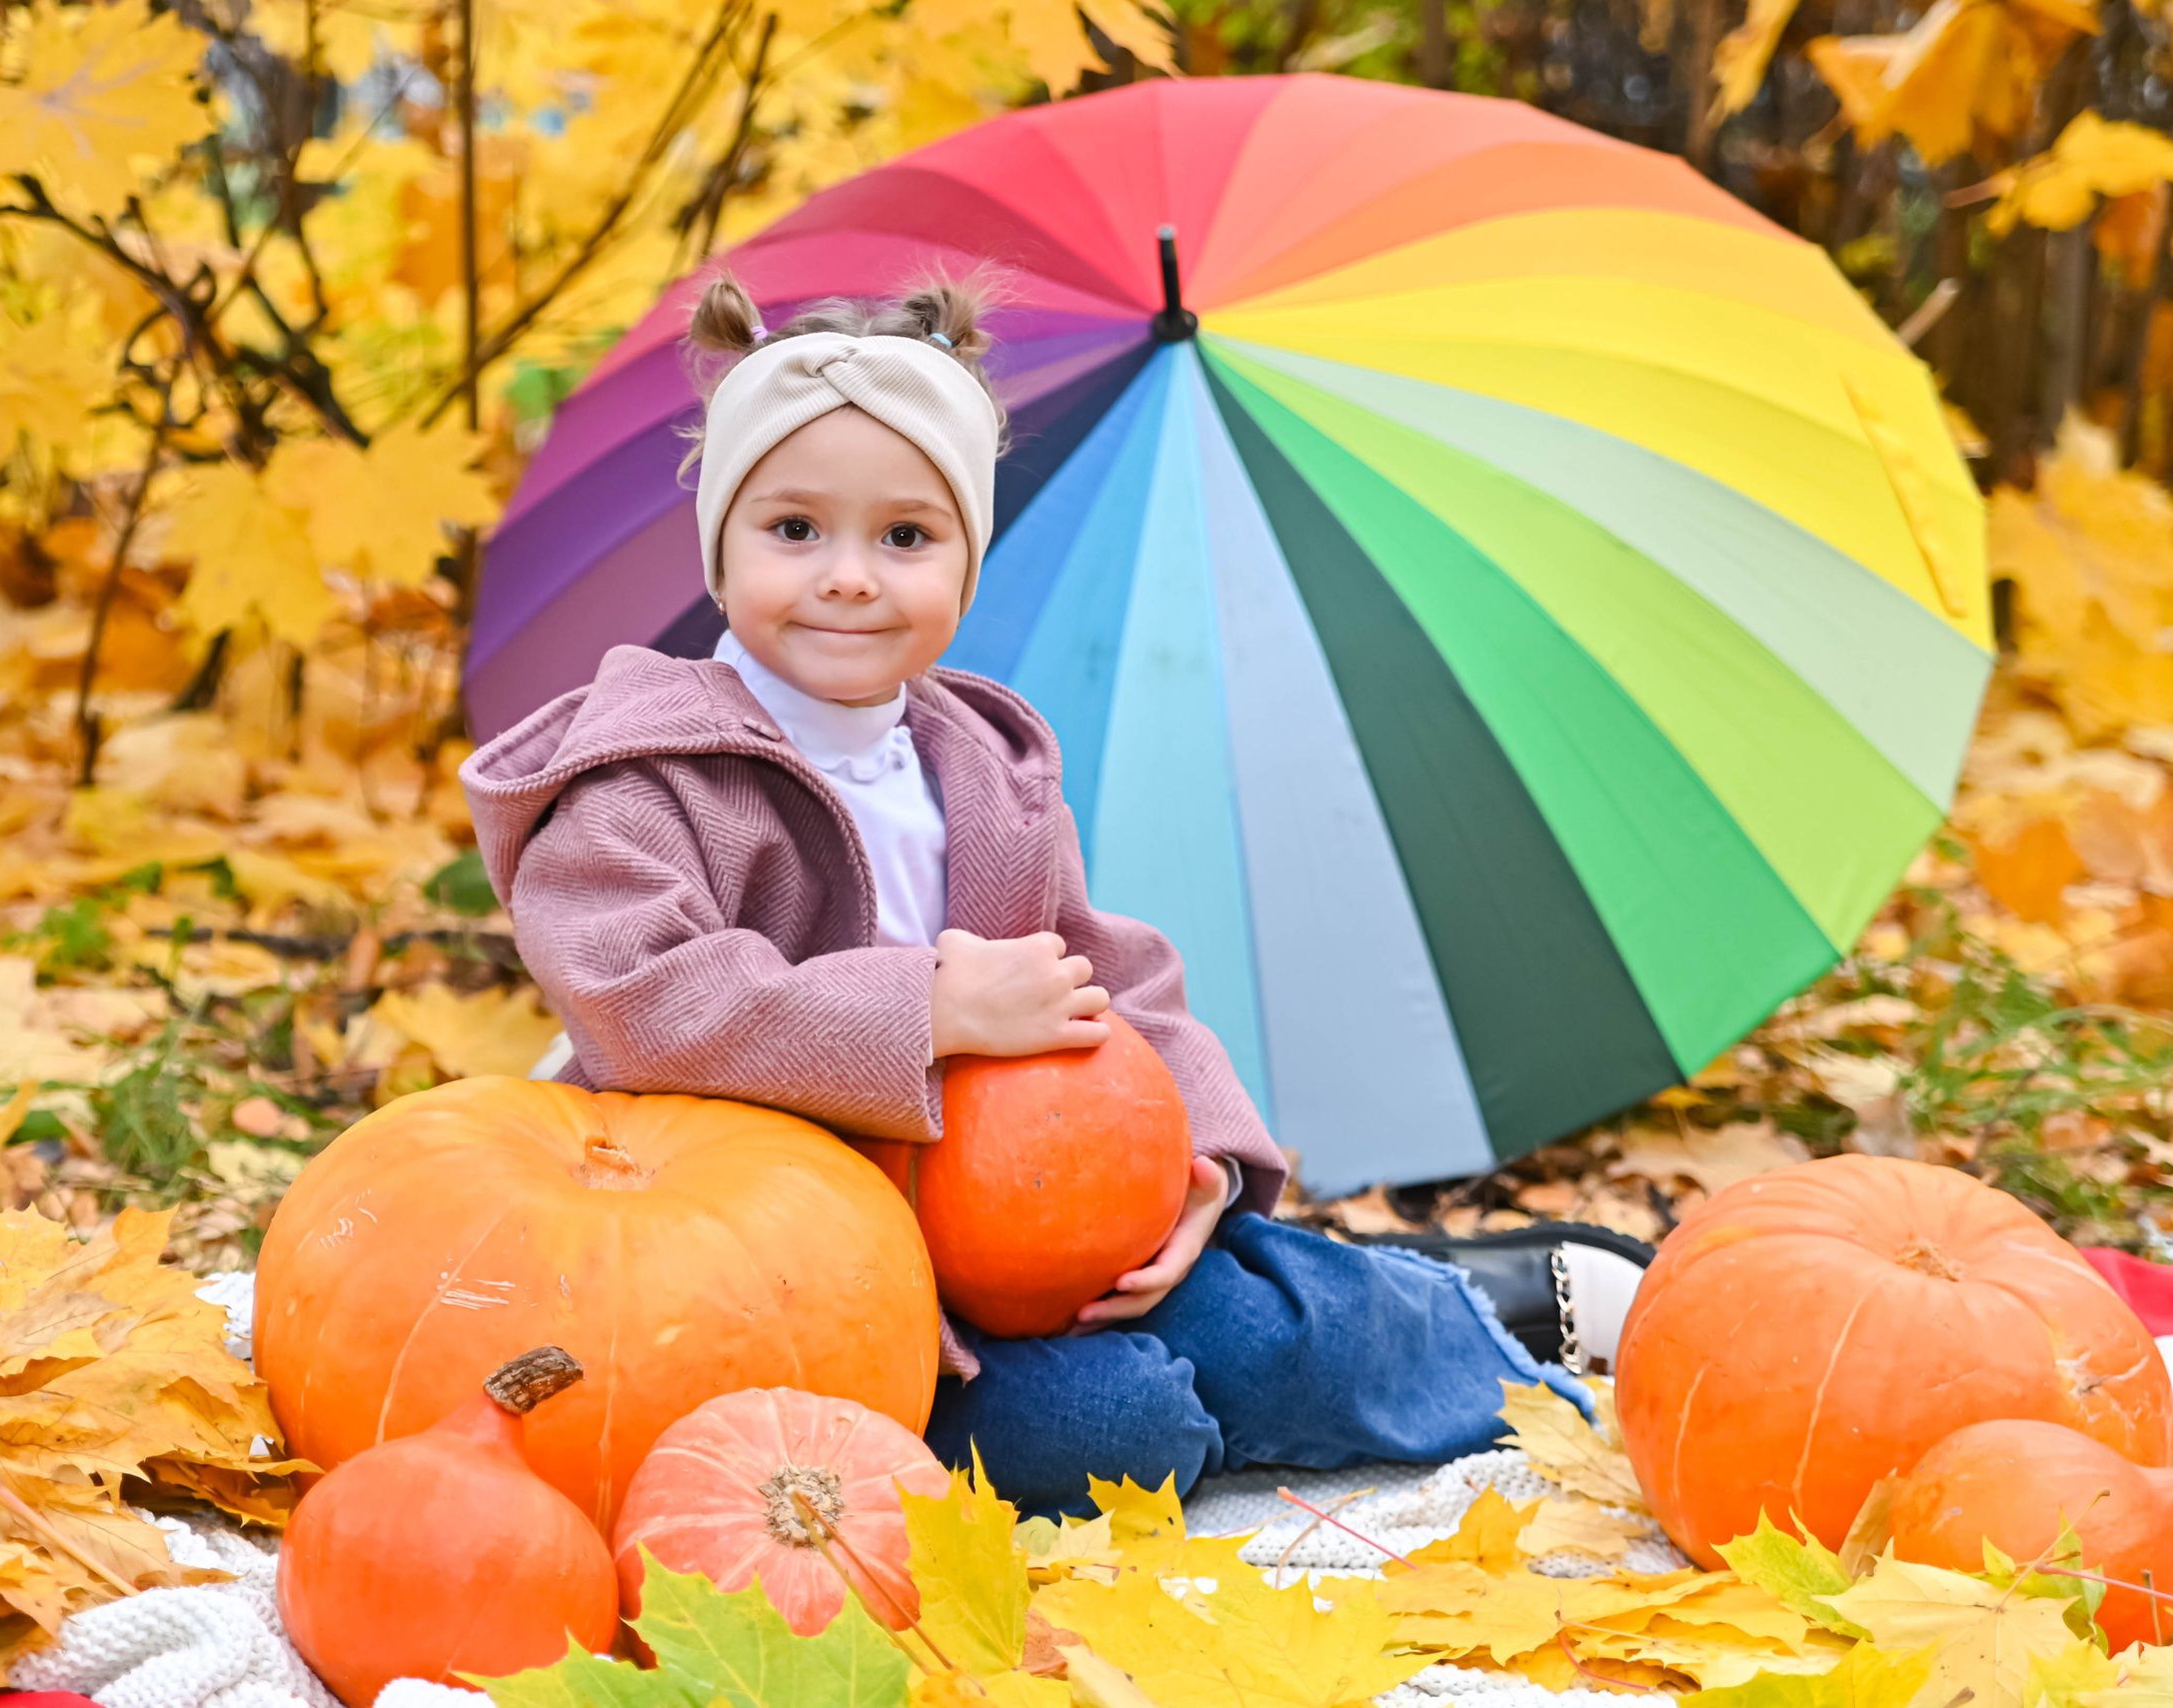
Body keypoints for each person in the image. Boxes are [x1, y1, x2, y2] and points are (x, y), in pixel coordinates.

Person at [461, 274, 1594, 1516]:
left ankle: (1504, 1318)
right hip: (789, 1275)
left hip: (1032, 1220)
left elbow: (1108, 976)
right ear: (719, 550)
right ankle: (1220, 1390)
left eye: (906, 537)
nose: (850, 576)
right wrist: (928, 1009)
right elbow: (644, 1001)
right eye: (794, 529)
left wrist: (1200, 1161)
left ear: (968, 562)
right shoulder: (645, 774)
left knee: (1278, 1324)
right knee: (1112, 1428)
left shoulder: (983, 764)